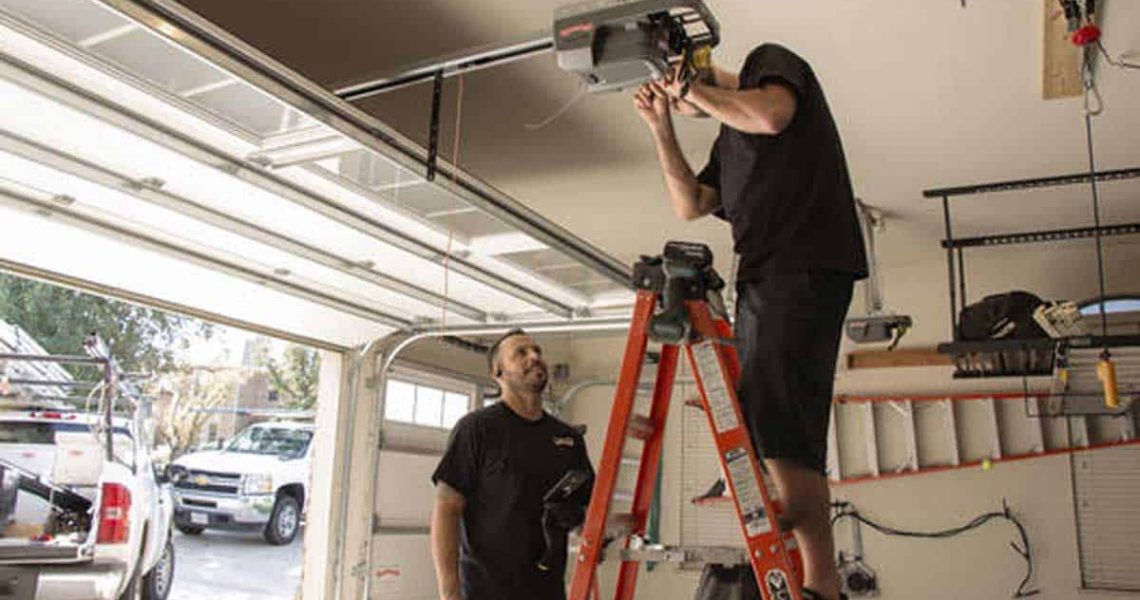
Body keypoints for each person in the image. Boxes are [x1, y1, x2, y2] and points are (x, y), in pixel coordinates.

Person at [634, 44, 868, 600]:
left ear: (698, 72)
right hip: (769, 276)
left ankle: (822, 584)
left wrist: (691, 88)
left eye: (679, 86)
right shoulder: (727, 140)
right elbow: (690, 202)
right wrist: (661, 126)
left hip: (799, 265)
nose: (683, 98)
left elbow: (771, 115)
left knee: (782, 426)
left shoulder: (770, 65)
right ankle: (822, 580)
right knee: (778, 422)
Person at [430, 329, 594, 600]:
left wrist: (603, 528)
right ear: (498, 373)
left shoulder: (569, 438)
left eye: (537, 351)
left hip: (548, 591)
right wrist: (449, 593)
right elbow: (447, 509)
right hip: (487, 591)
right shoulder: (477, 429)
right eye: (521, 353)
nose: (535, 357)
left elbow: (583, 512)